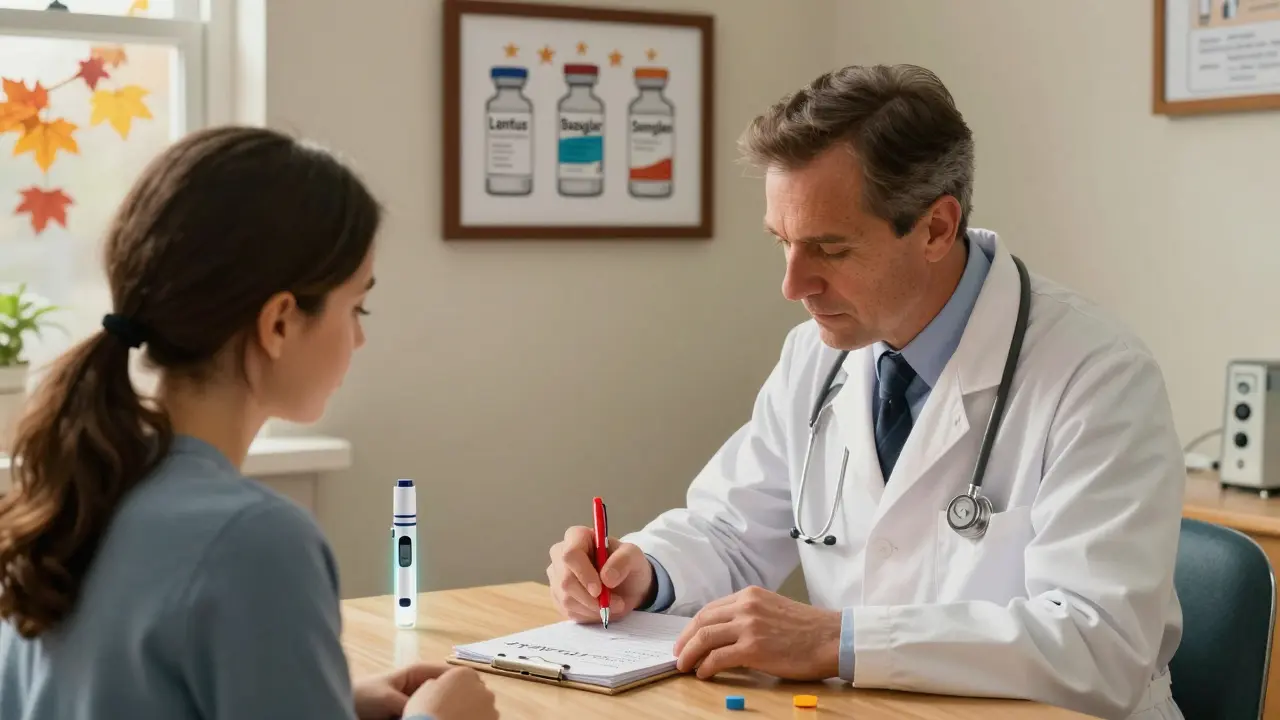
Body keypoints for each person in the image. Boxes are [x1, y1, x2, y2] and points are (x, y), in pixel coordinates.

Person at [546, 64, 1185, 720]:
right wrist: (642, 571)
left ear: (936, 228)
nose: (794, 286)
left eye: (829, 248)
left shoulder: (1098, 375)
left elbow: (1099, 645)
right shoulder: (816, 358)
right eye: (783, 244)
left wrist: (840, 640)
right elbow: (730, 530)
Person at [0, 126, 497, 720]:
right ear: (280, 323)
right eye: (355, 306)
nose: (360, 337)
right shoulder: (255, 541)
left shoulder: (74, 492)